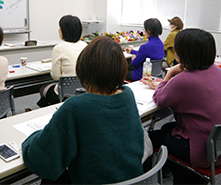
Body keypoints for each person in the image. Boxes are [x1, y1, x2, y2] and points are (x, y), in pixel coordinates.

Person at [22, 36, 146, 184]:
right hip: (131, 179)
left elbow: (42, 160)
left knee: (48, 180)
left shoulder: (76, 106)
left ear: (82, 68)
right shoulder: (127, 95)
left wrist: (31, 138)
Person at [142, 28, 221, 184]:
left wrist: (170, 73)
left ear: (183, 53)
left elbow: (159, 98)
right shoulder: (216, 70)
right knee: (166, 129)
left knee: (152, 138)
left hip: (204, 152)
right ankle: (175, 170)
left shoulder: (186, 79)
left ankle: (163, 175)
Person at [37, 15, 87, 107]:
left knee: (43, 88)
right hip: (83, 90)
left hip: (63, 95)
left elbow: (56, 76)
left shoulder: (59, 48)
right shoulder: (85, 45)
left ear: (63, 31)